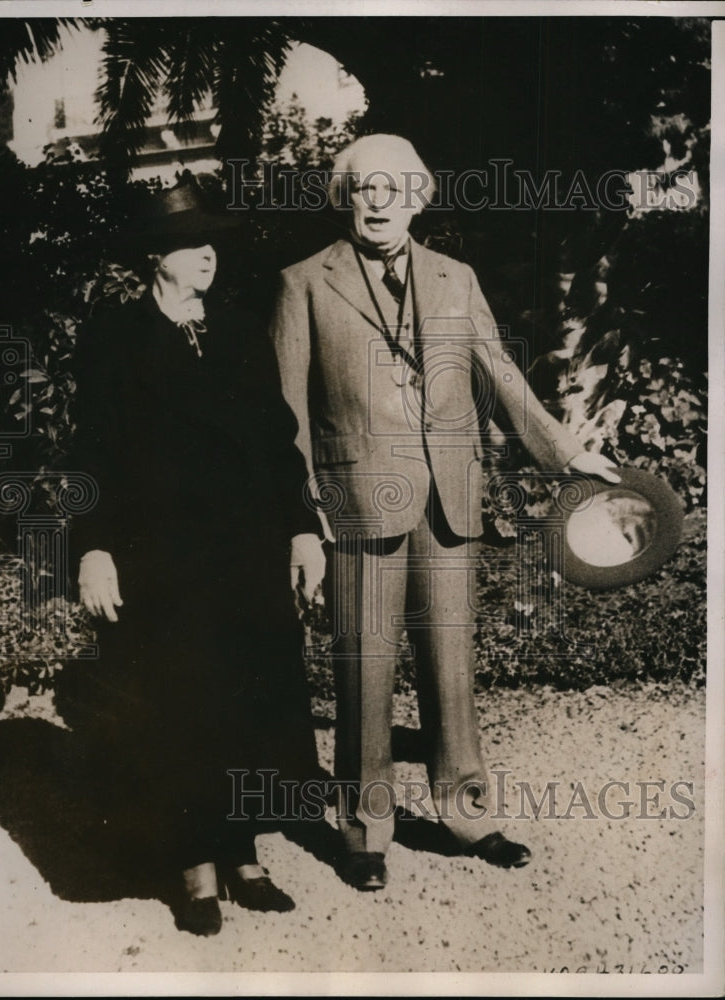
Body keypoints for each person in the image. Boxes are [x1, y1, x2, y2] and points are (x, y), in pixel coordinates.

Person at [269, 134, 619, 891]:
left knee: (451, 672)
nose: (378, 203)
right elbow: (287, 417)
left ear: (418, 200)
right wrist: (304, 520)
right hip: (356, 504)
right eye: (364, 189)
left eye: (393, 189)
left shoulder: (454, 279)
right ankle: (364, 831)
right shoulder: (303, 283)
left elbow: (497, 373)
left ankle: (467, 816)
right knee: (363, 670)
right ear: (345, 199)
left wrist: (565, 454)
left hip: (448, 502)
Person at [61, 173, 326, 935]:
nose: (208, 254)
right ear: (155, 257)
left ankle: (243, 856)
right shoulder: (115, 335)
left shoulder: (240, 329)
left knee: (248, 703)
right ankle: (193, 865)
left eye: (212, 243)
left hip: (247, 554)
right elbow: (91, 451)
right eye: (189, 244)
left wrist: (302, 530)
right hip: (162, 560)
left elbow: (279, 443)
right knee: (179, 707)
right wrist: (94, 548)